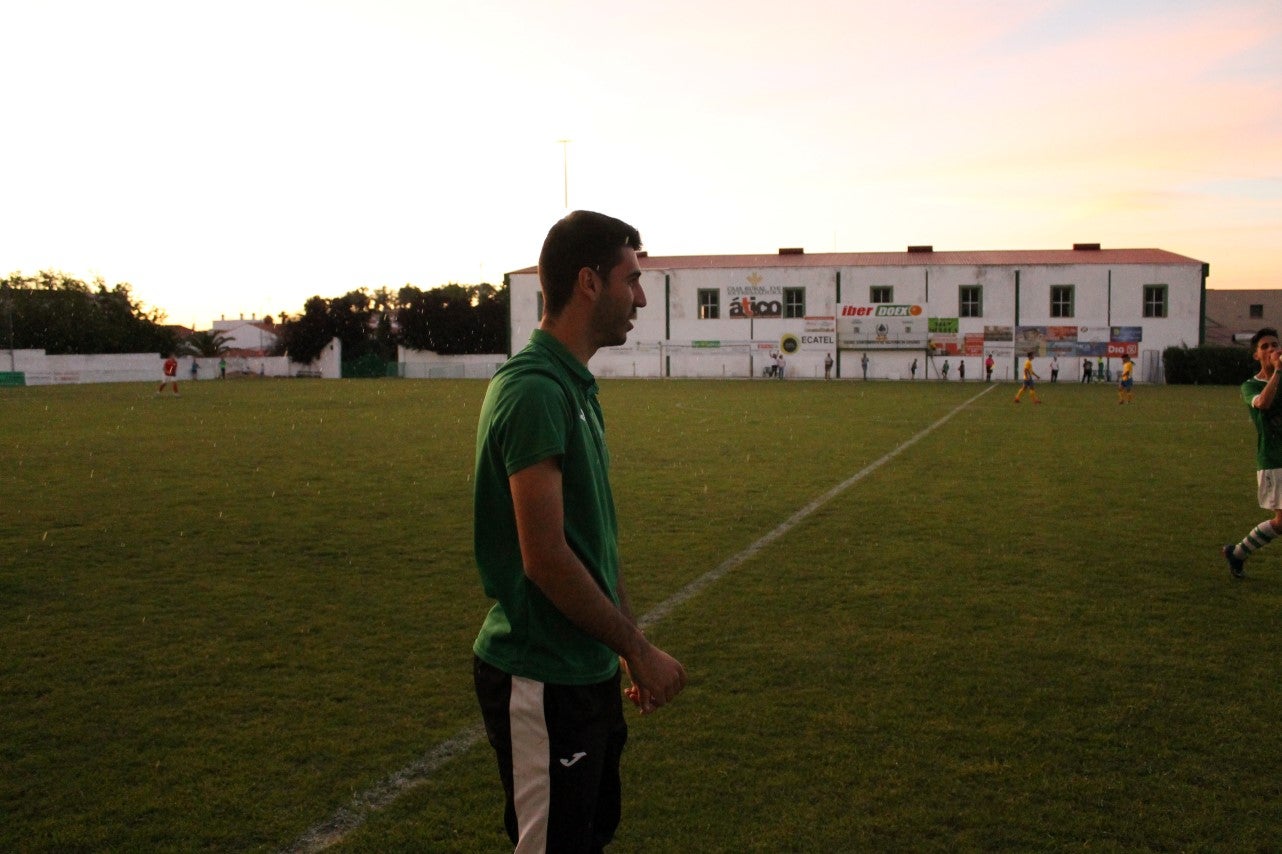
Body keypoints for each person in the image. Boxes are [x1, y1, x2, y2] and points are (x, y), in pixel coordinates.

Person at [471, 210, 687, 851]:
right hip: (541, 673)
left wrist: (625, 647)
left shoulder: (574, 388)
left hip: (583, 671)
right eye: (632, 279)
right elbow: (546, 558)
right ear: (590, 283)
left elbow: (595, 544)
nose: (641, 297)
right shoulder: (535, 390)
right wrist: (641, 651)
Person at [1224, 328, 1282, 580]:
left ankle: (1237, 553)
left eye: (1275, 345)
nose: (1271, 350)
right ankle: (1237, 553)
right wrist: (1278, 372)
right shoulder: (1250, 385)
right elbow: (1263, 404)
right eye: (1265, 347)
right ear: (1256, 355)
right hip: (1274, 461)